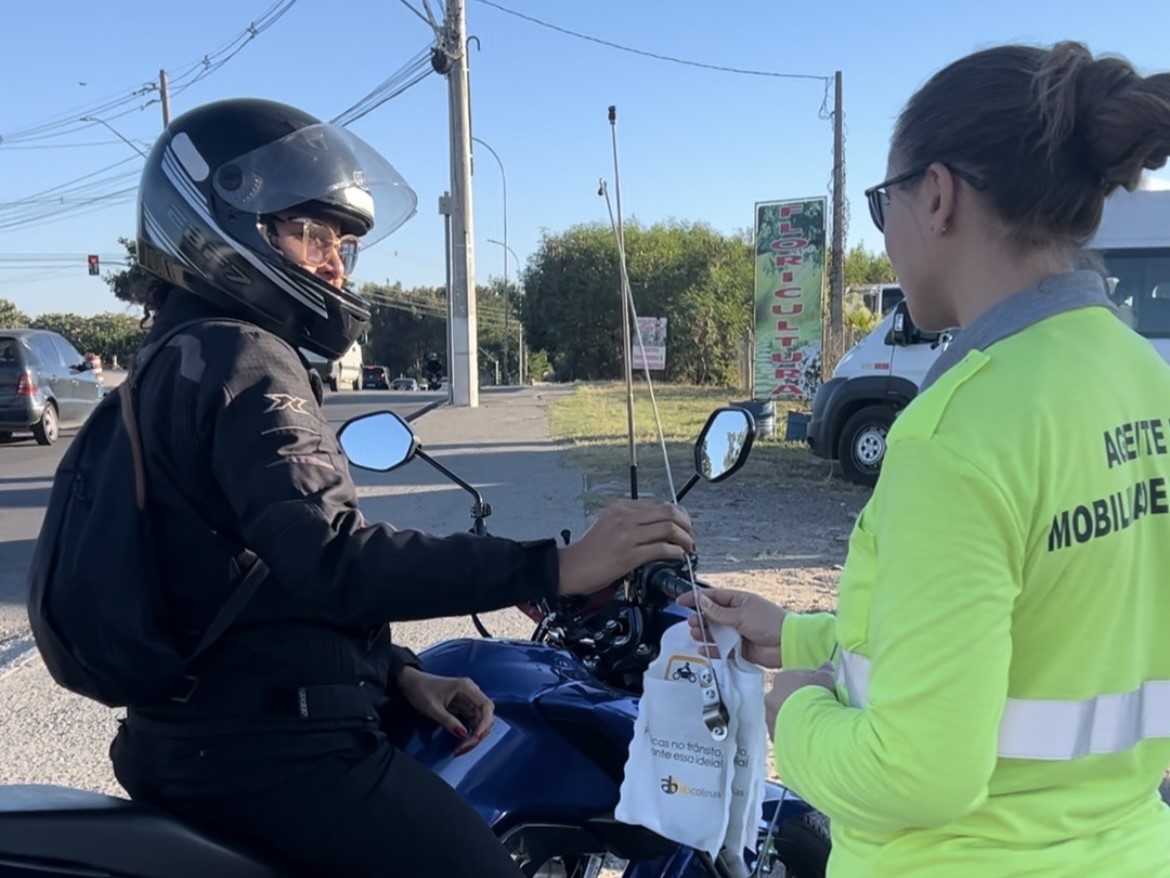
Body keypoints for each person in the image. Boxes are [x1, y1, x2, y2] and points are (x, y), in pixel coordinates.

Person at [107, 97, 696, 878]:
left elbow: (243, 578)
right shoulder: (240, 359)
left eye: (345, 242)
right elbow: (334, 559)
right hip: (270, 753)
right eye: (311, 233)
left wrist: (396, 674)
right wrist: (555, 566)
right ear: (224, 221)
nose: (335, 264)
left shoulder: (180, 357)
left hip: (215, 728)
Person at [682, 41, 1170, 876]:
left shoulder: (957, 433)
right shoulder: (1141, 377)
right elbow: (1038, 642)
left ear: (937, 196)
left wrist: (795, 713)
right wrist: (799, 637)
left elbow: (916, 773)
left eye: (885, 204)